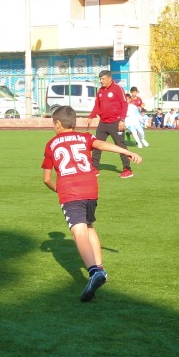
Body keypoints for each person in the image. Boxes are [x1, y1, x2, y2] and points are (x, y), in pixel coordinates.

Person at [41, 104, 143, 302]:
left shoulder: (51, 144)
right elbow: (103, 145)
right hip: (90, 188)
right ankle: (101, 268)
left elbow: (46, 178)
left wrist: (59, 189)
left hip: (70, 190)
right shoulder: (85, 137)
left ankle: (94, 271)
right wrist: (128, 152)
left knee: (78, 231)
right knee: (89, 226)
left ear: (58, 124)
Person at [87, 70, 134, 178]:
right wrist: (91, 116)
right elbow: (97, 106)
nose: (101, 81)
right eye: (100, 79)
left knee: (121, 146)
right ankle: (94, 168)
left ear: (109, 78)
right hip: (103, 123)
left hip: (116, 123)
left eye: (103, 79)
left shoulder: (118, 89)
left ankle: (127, 169)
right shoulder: (100, 91)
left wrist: (122, 120)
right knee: (96, 145)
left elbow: (124, 104)